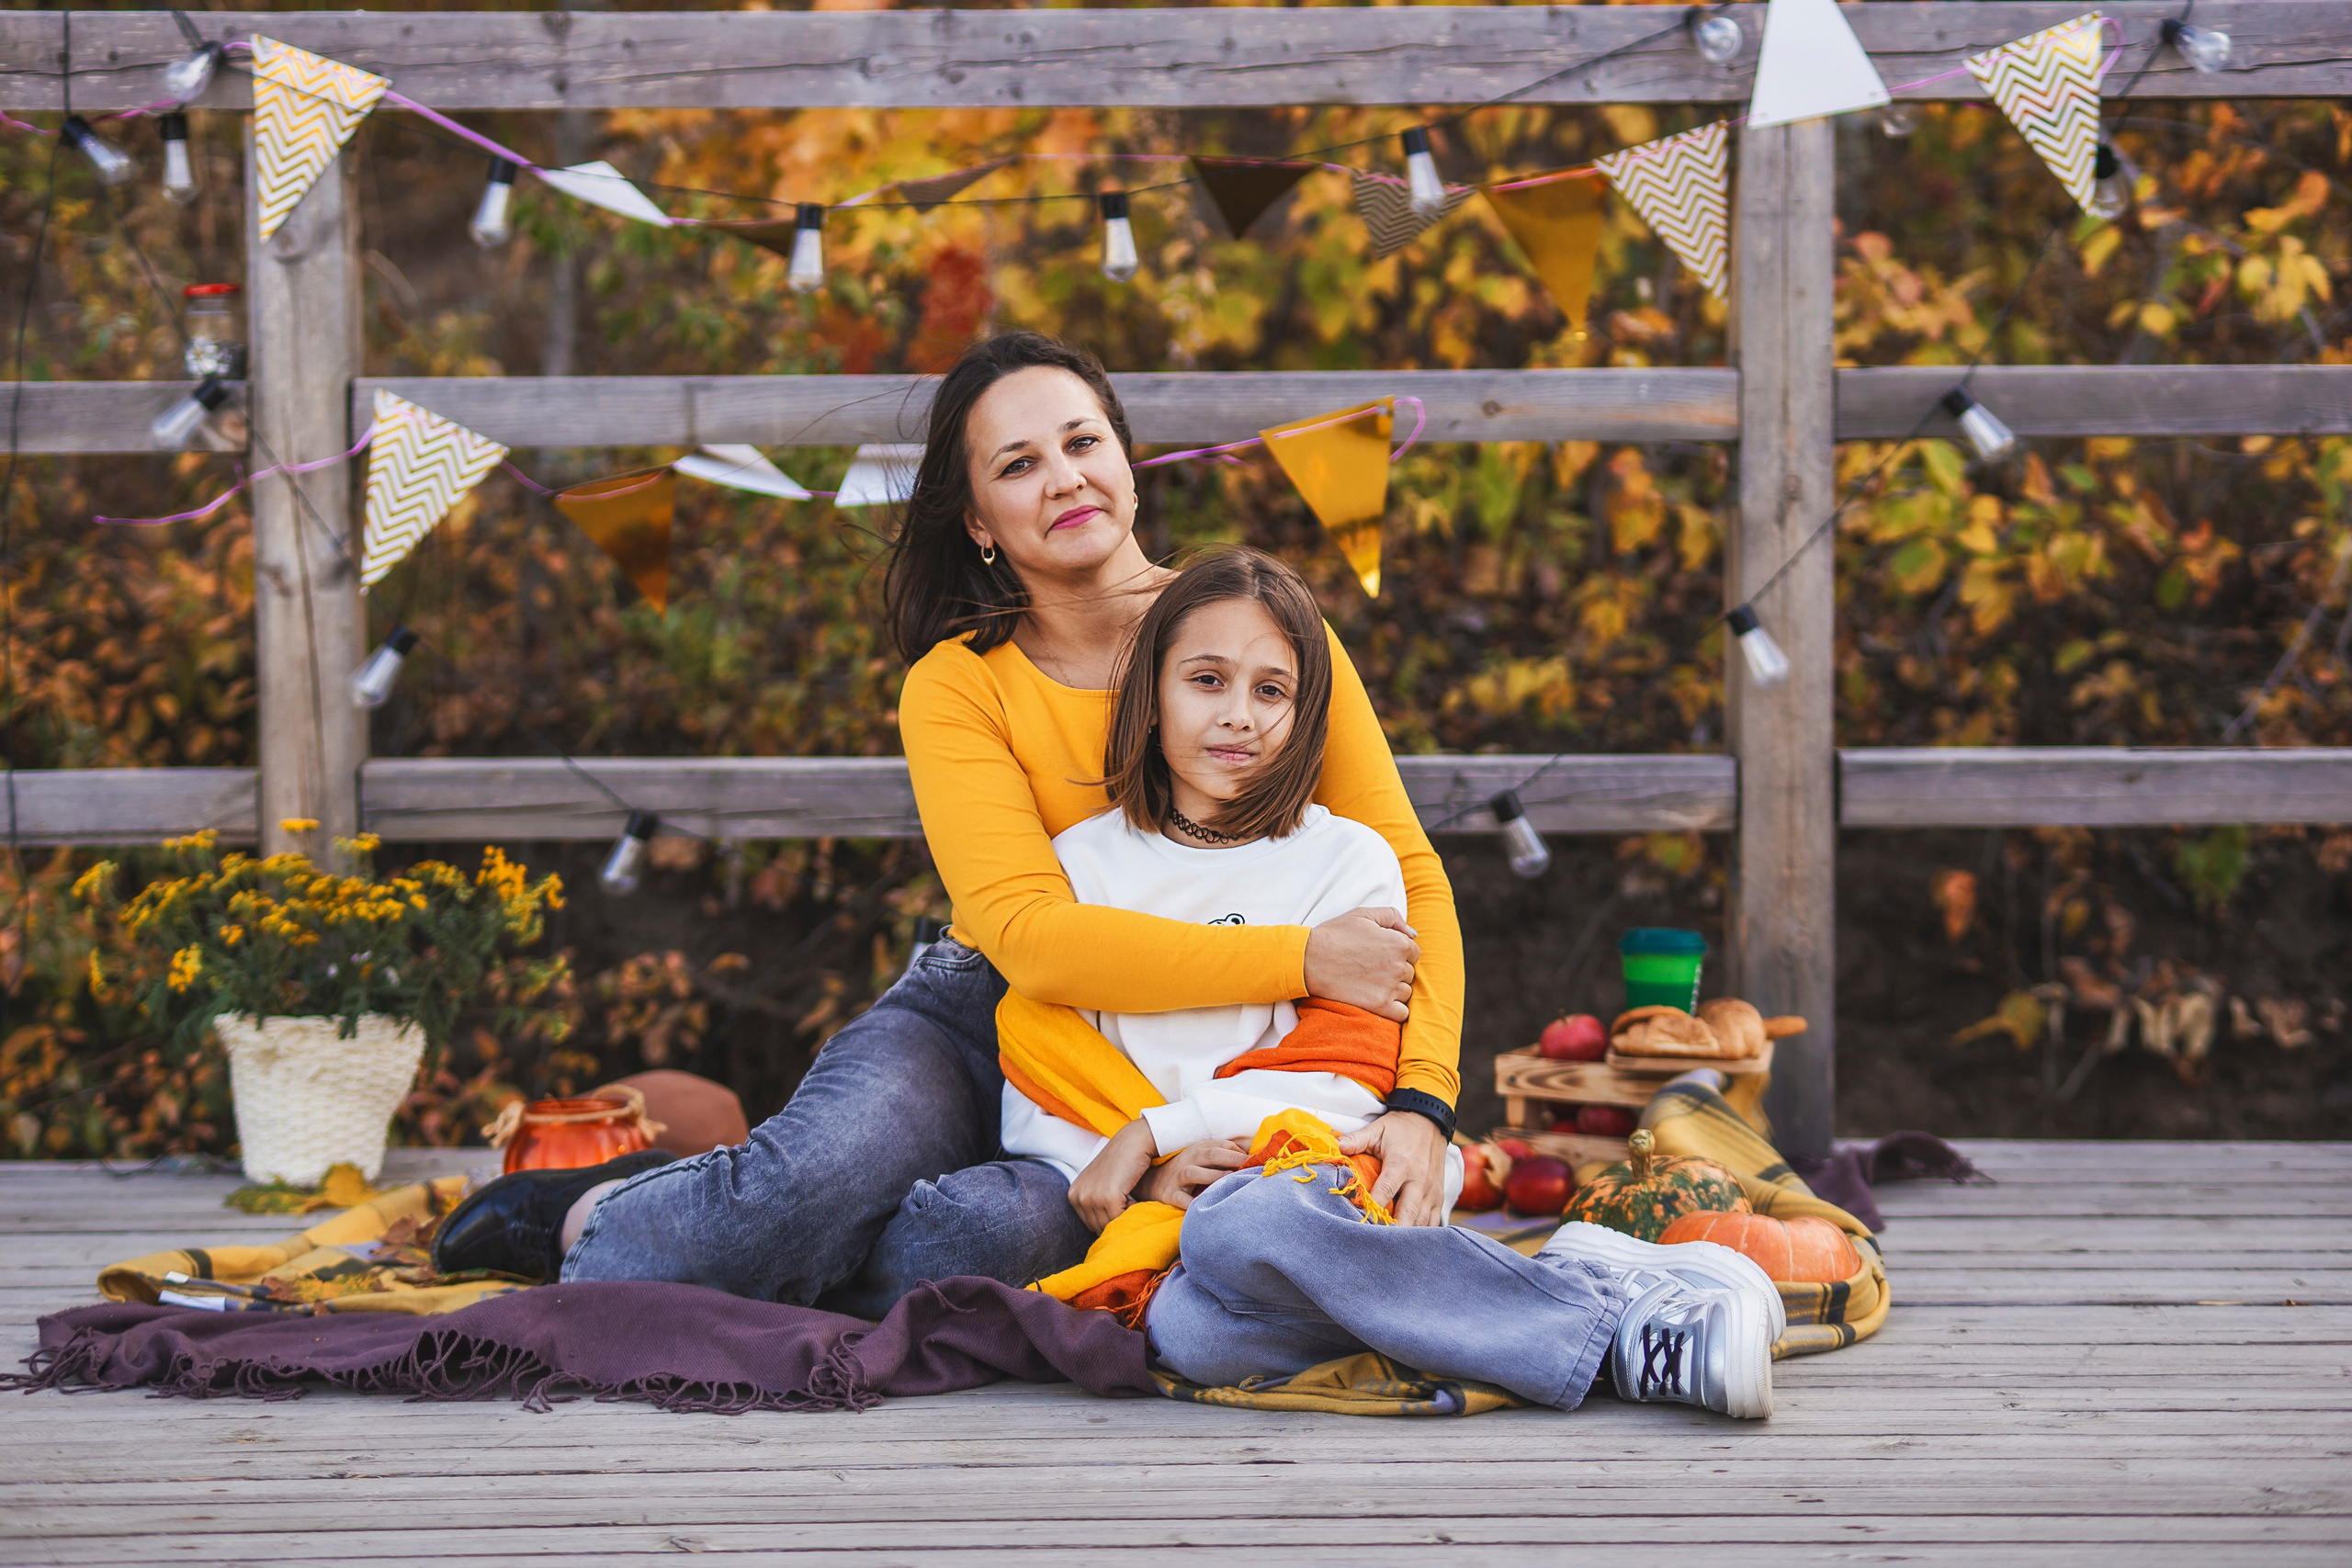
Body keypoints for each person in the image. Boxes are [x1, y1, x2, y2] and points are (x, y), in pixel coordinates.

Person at [434, 333, 1464, 1314]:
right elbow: (1032, 943)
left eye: (1080, 442)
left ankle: (776, 1229)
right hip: (996, 1015)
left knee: (969, 1250)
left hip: (1211, 1054)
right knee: (805, 1190)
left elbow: (1408, 879)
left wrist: (1421, 1105)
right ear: (976, 519)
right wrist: (1302, 962)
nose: (1062, 478)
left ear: (1126, 459)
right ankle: (611, 1210)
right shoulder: (958, 687)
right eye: (1016, 465)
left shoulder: (1263, 638)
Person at [1012, 545, 1781, 1416]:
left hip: (1330, 1175)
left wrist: (1161, 1128)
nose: (1239, 716)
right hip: (1176, 1226)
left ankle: (1622, 1338)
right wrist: (1145, 1172)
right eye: (1206, 680)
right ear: (1149, 695)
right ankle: (1586, 1285)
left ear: (1308, 719)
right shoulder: (1080, 868)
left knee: (1240, 1221)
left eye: (1272, 691)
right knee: (1192, 1333)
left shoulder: (1345, 861)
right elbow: (1040, 1075)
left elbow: (1344, 1080)